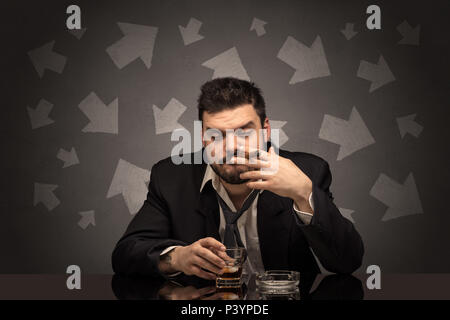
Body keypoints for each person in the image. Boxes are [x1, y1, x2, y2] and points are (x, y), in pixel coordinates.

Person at [112, 77, 364, 280]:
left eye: (244, 132)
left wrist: (302, 192)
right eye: (216, 135)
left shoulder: (308, 171)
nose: (231, 147)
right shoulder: (170, 177)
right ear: (202, 137)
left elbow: (346, 262)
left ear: (265, 130)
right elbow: (124, 255)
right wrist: (177, 258)